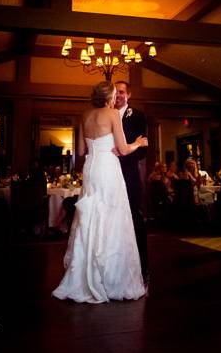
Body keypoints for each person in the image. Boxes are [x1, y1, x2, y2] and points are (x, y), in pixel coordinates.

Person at [52, 81, 148, 303]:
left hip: (91, 168)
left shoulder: (84, 115)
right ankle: (109, 277)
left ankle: (83, 276)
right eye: (115, 94)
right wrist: (138, 142)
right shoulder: (113, 113)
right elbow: (123, 150)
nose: (116, 98)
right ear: (109, 96)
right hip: (108, 167)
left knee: (91, 215)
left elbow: (81, 150)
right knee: (111, 217)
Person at [113, 80, 150, 284]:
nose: (117, 95)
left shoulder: (137, 116)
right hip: (109, 174)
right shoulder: (106, 113)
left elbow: (143, 148)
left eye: (121, 92)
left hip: (128, 174)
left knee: (135, 219)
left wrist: (123, 153)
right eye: (115, 92)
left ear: (129, 94)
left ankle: (142, 267)